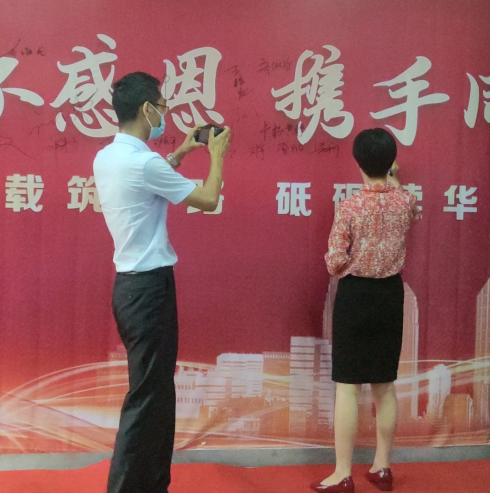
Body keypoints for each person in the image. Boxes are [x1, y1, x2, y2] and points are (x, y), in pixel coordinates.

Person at [93, 72, 231, 493]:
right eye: (163, 107)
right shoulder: (143, 162)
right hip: (149, 291)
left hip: (132, 289)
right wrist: (217, 155)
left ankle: (153, 484)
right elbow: (208, 199)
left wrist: (183, 152)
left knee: (155, 394)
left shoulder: (109, 157)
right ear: (146, 109)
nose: (165, 114)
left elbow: (148, 183)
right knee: (146, 399)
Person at [310, 128, 420, 493]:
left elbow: (333, 263)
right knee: (384, 385)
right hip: (390, 295)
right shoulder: (406, 202)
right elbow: (405, 204)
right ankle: (383, 467)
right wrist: (393, 177)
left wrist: (346, 262)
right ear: (390, 163)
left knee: (347, 388)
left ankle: (343, 473)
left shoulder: (350, 207)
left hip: (356, 296)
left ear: (357, 161)